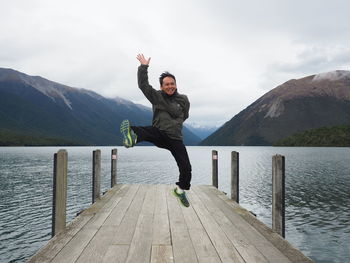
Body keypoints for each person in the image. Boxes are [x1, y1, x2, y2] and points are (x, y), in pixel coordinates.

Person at [120, 53, 192, 207]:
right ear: (161, 86)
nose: (170, 86)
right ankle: (131, 137)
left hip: (176, 138)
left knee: (186, 167)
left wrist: (176, 123)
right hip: (160, 133)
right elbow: (143, 86)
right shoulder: (157, 97)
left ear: (176, 84)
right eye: (166, 84)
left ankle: (180, 191)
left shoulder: (183, 99)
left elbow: (185, 115)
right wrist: (143, 67)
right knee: (147, 131)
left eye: (172, 83)